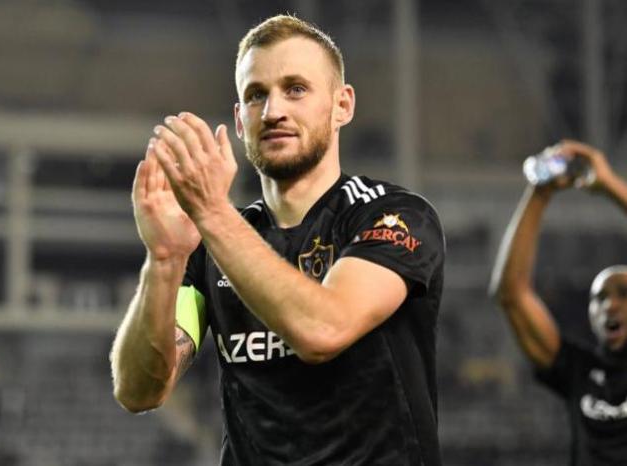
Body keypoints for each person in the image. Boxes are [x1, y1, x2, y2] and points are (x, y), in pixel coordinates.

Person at [110, 14, 445, 465]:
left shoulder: (394, 215)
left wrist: (212, 212)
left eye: (296, 89)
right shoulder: (211, 245)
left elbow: (323, 330)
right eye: (256, 95)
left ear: (342, 105)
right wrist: (165, 260)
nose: (273, 112)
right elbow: (139, 390)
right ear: (239, 119)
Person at [490, 140, 627, 465]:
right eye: (600, 298)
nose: (610, 305)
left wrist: (610, 184)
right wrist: (540, 192)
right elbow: (511, 294)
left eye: (624, 294)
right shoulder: (580, 370)